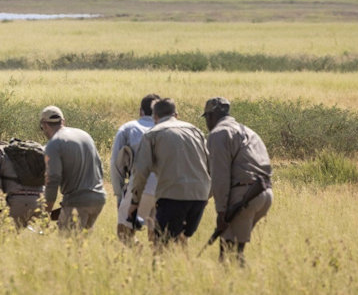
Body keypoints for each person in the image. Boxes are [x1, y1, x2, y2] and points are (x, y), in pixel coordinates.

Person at [128, 98, 211, 244]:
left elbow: (141, 171)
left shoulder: (152, 134)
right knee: (181, 241)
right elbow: (210, 165)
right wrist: (206, 196)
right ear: (176, 115)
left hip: (172, 196)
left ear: (155, 117)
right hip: (199, 196)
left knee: (161, 244)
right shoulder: (196, 131)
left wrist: (135, 201)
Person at [203, 97, 273, 265]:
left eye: (206, 117)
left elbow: (220, 176)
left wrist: (222, 212)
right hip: (264, 194)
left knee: (228, 254)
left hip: (242, 196)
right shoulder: (248, 131)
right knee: (235, 249)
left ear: (211, 116)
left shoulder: (218, 134)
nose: (207, 121)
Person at [40, 106, 107, 231]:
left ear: (44, 125)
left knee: (67, 245)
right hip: (98, 198)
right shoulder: (84, 134)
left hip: (77, 201)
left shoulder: (54, 144)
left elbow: (53, 180)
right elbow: (99, 167)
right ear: (63, 121)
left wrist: (46, 214)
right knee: (82, 246)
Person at [111, 94, 160, 241]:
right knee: (157, 236)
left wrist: (119, 194)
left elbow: (116, 164)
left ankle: (135, 255)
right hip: (166, 189)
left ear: (141, 111)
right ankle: (157, 262)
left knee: (124, 232)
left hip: (140, 187)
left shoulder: (128, 129)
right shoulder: (167, 129)